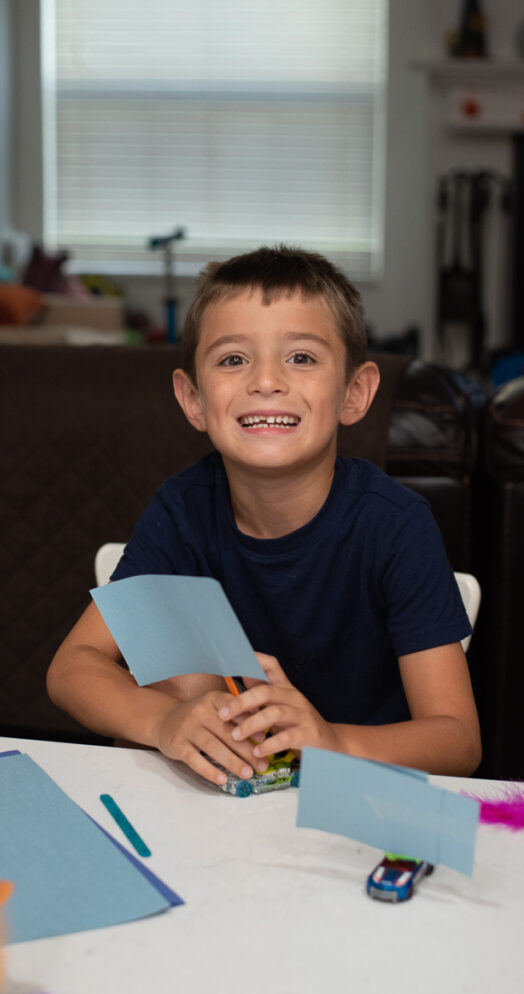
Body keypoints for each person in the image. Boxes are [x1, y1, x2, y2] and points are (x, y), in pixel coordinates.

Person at [47, 245, 481, 784]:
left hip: (356, 799)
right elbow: (72, 668)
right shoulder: (184, 508)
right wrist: (168, 722)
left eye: (301, 357)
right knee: (169, 679)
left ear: (354, 392)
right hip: (224, 796)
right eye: (233, 359)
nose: (266, 380)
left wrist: (330, 741)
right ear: (193, 399)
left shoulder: (396, 524)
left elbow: (459, 740)